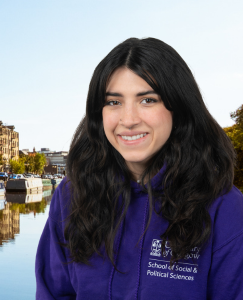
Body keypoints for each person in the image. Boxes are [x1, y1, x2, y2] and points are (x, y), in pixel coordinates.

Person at [35, 38, 240, 299]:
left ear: (179, 107)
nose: (129, 120)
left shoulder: (226, 209)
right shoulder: (71, 196)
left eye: (148, 100)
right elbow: (54, 293)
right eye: (113, 102)